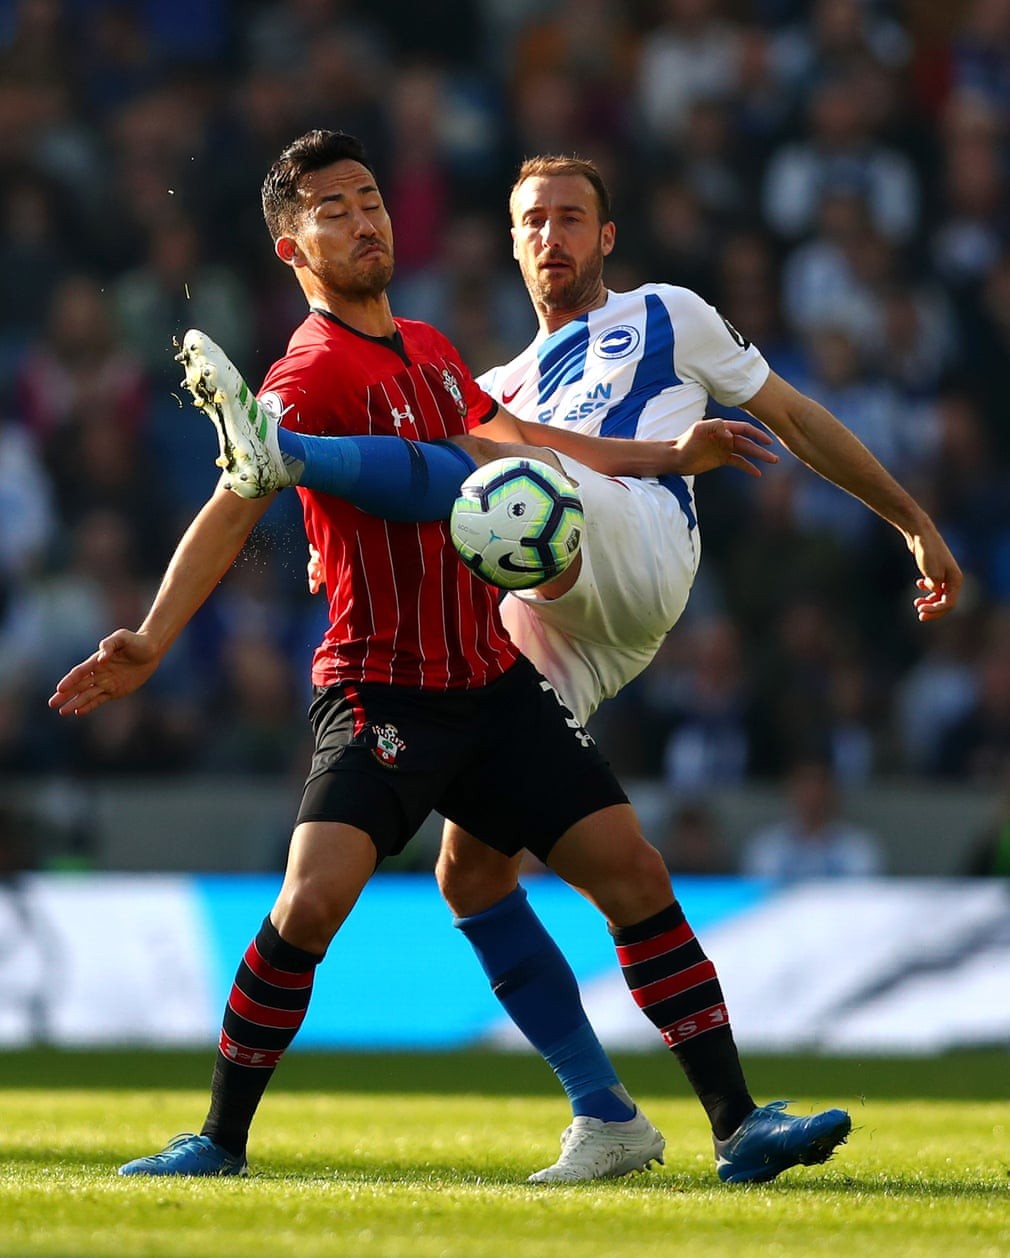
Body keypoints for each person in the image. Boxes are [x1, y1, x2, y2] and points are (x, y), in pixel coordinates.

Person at [50, 129, 852, 1186]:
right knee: (312, 900)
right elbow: (232, 499)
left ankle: (734, 1124)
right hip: (381, 683)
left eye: (370, 195)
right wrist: (153, 636)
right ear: (293, 251)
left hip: (488, 677)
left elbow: (523, 444)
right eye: (331, 208)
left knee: (634, 873)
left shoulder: (429, 349)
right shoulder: (307, 368)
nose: (364, 217)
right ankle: (219, 1137)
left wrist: (665, 454)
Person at [740, 758, 884, 881]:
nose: (813, 796)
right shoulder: (766, 846)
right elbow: (761, 898)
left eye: (819, 786)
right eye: (804, 786)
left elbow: (863, 898)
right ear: (791, 791)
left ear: (833, 792)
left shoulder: (858, 847)